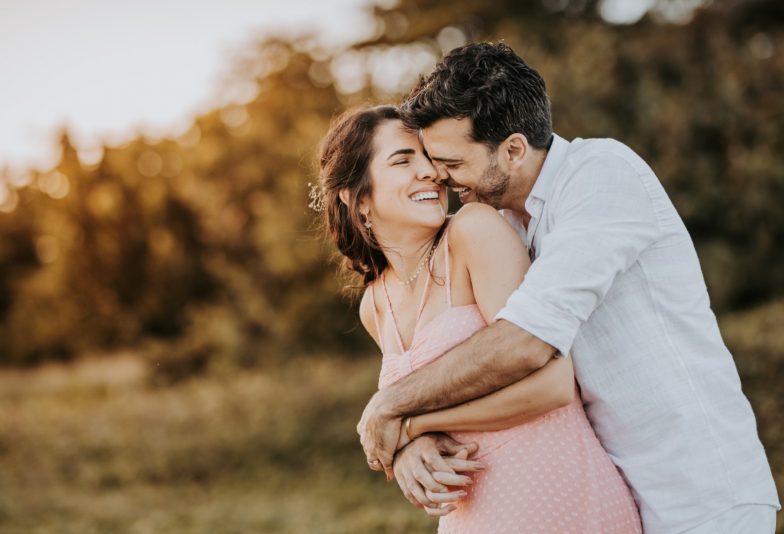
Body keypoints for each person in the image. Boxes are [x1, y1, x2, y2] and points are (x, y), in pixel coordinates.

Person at [356, 42, 780, 533]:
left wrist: (392, 406)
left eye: (451, 161)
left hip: (701, 490)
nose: (440, 177)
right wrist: (412, 435)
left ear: (513, 150)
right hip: (621, 492)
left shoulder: (601, 176)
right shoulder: (504, 223)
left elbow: (526, 341)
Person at [315, 105, 642, 532]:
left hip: (559, 497)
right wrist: (411, 446)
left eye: (428, 158)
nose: (432, 172)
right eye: (403, 161)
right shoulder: (374, 305)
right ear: (357, 197)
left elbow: (555, 385)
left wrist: (412, 425)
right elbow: (428, 400)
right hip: (475, 517)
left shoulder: (473, 231)